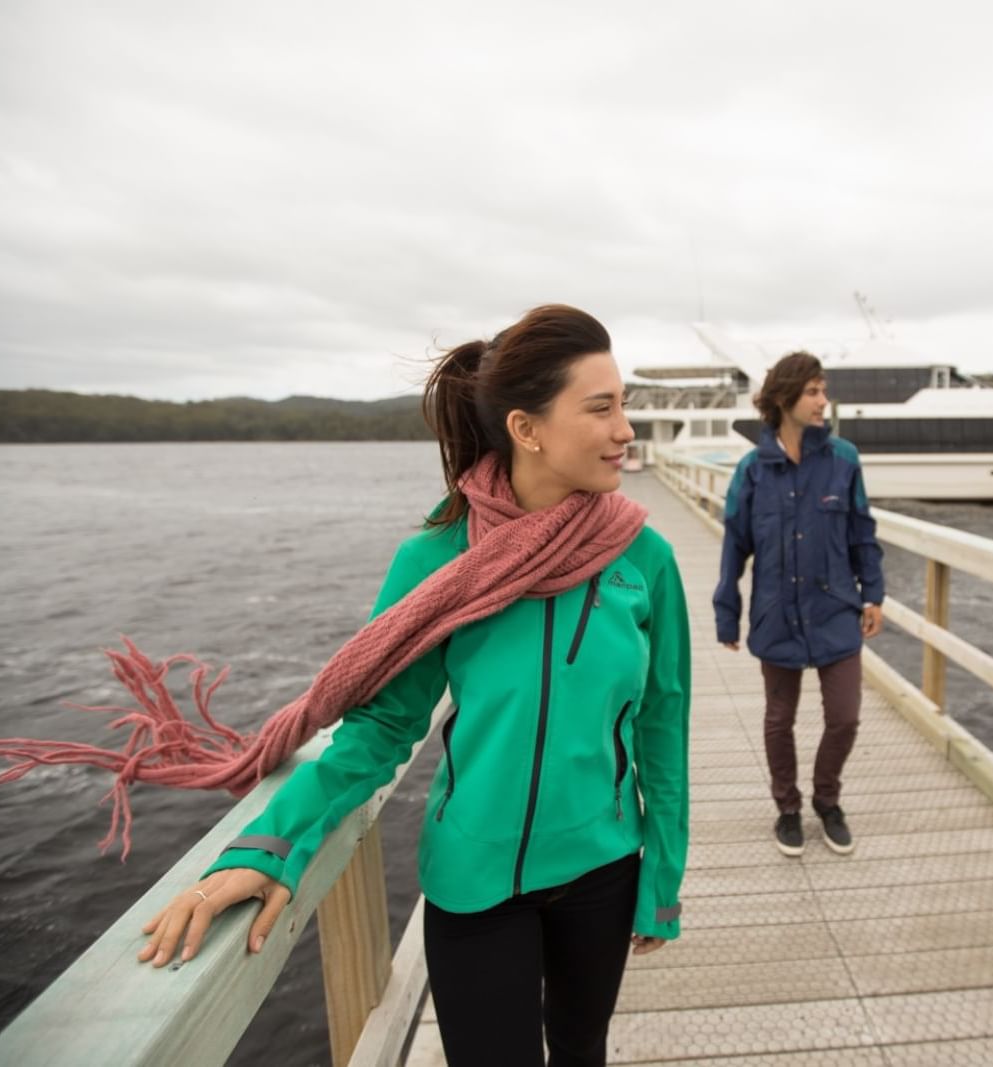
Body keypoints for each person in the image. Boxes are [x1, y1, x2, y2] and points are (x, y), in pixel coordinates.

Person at [134, 305, 691, 1067]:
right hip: (474, 880)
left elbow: (662, 721)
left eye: (622, 403)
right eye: (602, 408)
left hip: (603, 868)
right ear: (527, 429)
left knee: (579, 1049)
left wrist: (661, 873)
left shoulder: (643, 557)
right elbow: (378, 729)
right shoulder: (438, 560)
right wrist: (266, 849)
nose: (626, 428)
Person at [712, 351, 883, 857]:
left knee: (845, 716)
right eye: (813, 391)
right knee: (777, 718)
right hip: (776, 613)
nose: (822, 401)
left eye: (823, 390)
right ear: (785, 398)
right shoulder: (752, 471)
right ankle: (787, 808)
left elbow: (862, 533)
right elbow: (734, 546)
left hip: (835, 610)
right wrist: (728, 612)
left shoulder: (843, 461)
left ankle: (827, 801)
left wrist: (873, 593)